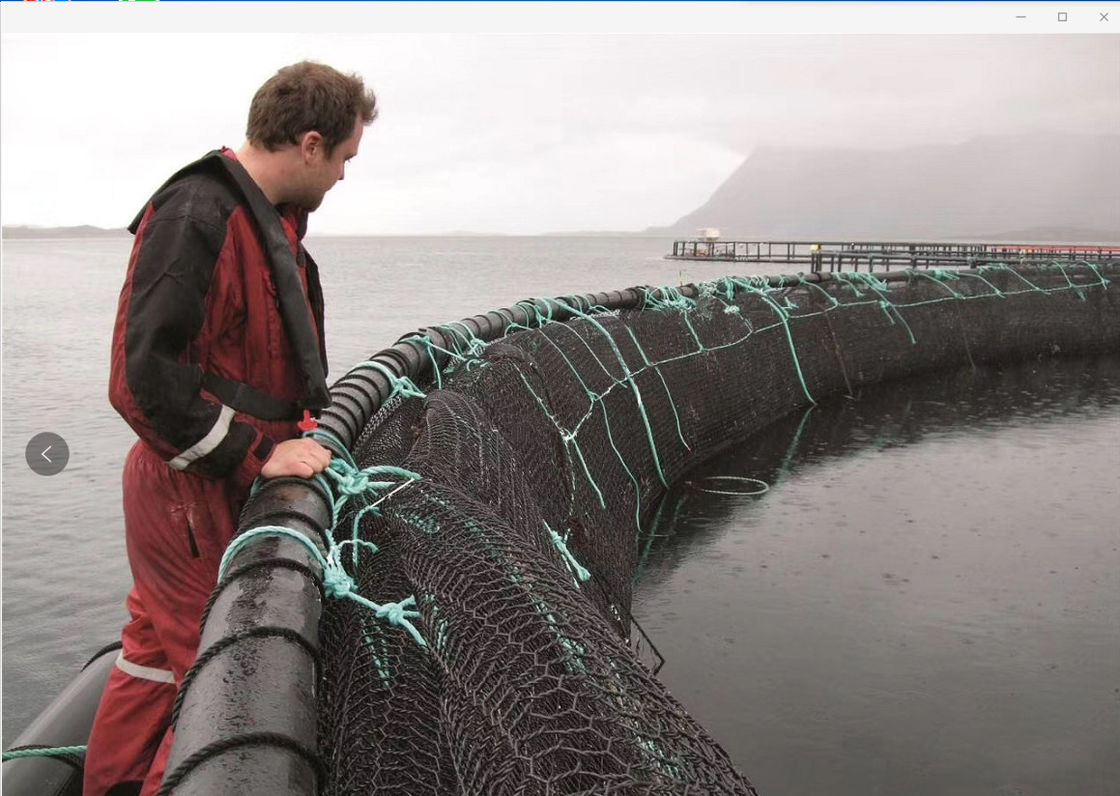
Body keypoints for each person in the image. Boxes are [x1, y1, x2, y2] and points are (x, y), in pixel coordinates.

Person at [85, 61, 378, 796]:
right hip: (190, 490)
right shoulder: (198, 214)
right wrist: (255, 454)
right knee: (220, 690)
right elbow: (141, 383)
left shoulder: (267, 223)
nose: (344, 175)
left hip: (202, 487)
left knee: (153, 659)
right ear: (310, 144)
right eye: (344, 157)